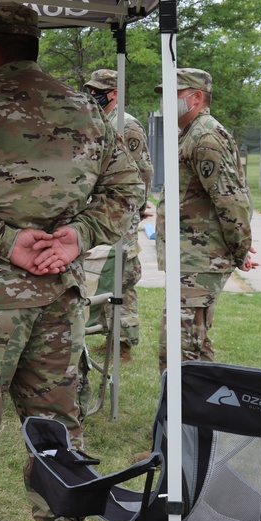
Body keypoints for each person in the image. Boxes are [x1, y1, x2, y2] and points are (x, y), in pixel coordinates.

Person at [0, 2, 143, 521]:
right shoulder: (88, 111)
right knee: (59, 432)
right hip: (61, 297)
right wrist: (76, 239)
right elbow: (129, 190)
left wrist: (4, 241)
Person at [154, 68, 256, 372]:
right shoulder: (191, 133)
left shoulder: (206, 136)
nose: (166, 103)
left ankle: (185, 417)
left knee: (179, 347)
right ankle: (203, 414)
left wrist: (241, 249)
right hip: (192, 257)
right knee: (193, 343)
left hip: (201, 258)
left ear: (196, 97)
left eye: (174, 95)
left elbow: (230, 199)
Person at [82, 69, 154, 361]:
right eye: (90, 89)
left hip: (123, 210)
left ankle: (123, 344)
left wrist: (138, 207)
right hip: (103, 209)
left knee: (124, 276)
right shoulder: (100, 120)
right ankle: (111, 337)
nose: (92, 94)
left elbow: (144, 171)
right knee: (109, 274)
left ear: (114, 93)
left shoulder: (127, 124)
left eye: (98, 89)